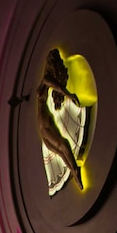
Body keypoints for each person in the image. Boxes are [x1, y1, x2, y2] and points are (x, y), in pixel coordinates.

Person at [36, 48, 83, 191]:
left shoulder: (46, 79)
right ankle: (74, 172)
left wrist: (70, 96)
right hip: (43, 122)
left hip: (44, 122)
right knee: (60, 148)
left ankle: (75, 172)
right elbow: (57, 86)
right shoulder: (45, 78)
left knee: (62, 146)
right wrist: (69, 95)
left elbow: (57, 87)